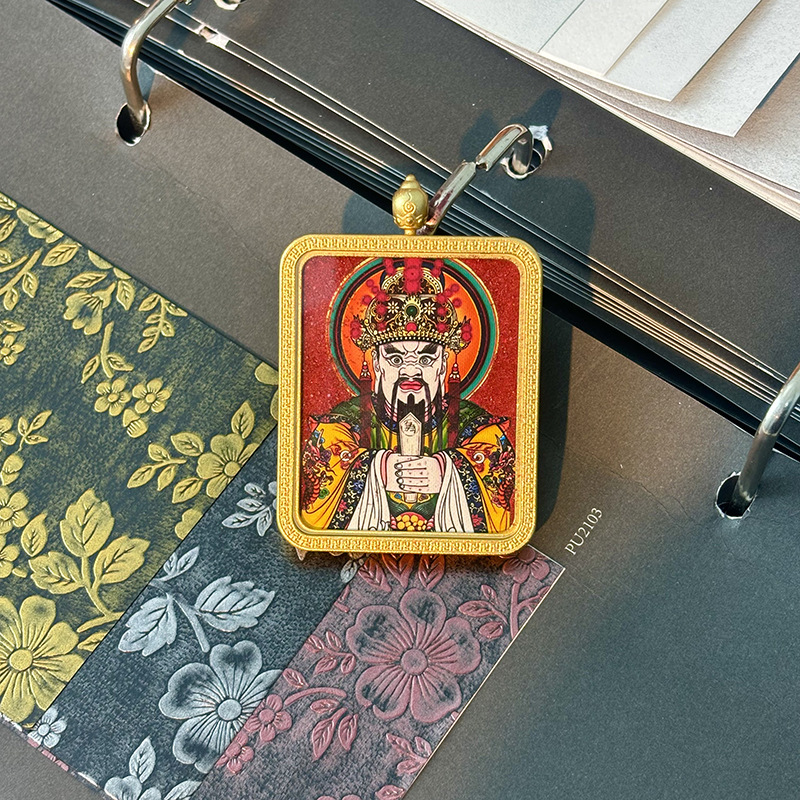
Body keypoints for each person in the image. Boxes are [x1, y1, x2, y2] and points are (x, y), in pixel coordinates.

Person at [300, 257, 514, 533]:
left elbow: (498, 479)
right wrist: (380, 469)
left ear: (443, 365)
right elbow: (319, 484)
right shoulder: (343, 423)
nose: (410, 371)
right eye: (395, 358)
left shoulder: (476, 425)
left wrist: (447, 472)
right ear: (376, 363)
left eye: (426, 359)